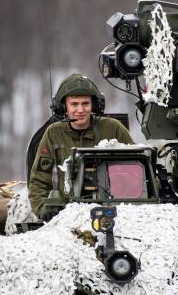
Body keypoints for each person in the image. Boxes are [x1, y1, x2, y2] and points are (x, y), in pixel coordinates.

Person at [28, 74, 134, 218]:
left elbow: (139, 170)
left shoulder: (113, 128)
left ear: (94, 105)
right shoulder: (54, 133)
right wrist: (43, 209)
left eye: (85, 103)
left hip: (114, 209)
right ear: (63, 106)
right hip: (68, 213)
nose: (80, 110)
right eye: (74, 104)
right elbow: (39, 181)